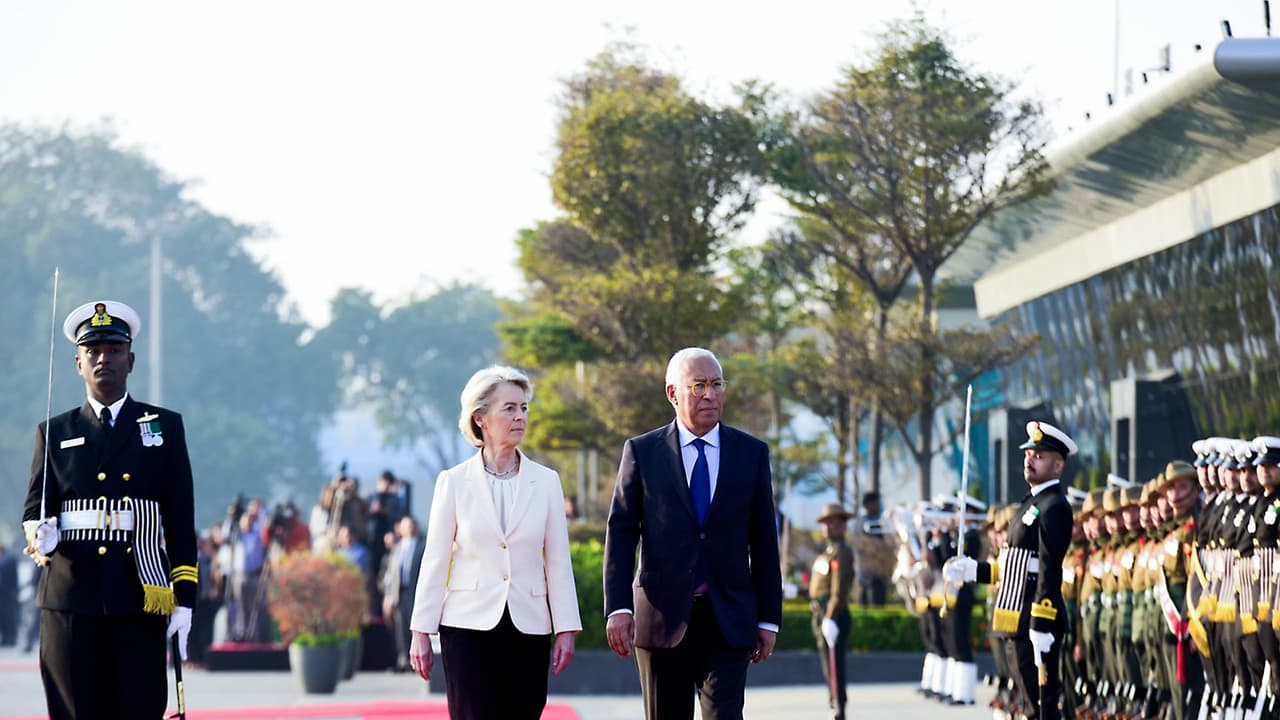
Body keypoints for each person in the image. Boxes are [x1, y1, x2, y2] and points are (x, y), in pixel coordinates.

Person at [20, 300, 196, 720]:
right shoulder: (55, 431)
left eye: (114, 350)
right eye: (93, 351)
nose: (104, 359)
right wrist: (39, 532)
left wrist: (185, 601)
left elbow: (180, 520)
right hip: (70, 600)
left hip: (138, 598)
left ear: (131, 360)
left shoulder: (163, 427)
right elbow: (34, 508)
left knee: (137, 710)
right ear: (77, 363)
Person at [604, 347, 783, 720]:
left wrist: (768, 618)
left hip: (728, 618)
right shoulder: (642, 452)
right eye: (698, 385)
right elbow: (621, 532)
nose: (710, 394)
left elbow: (764, 540)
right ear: (673, 394)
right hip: (660, 617)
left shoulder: (751, 454)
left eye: (717, 384)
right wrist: (619, 608)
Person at [408, 365, 581, 720]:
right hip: (466, 627)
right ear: (480, 418)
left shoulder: (546, 482)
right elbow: (435, 559)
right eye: (509, 408)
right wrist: (420, 630)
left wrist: (565, 628)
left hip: (528, 626)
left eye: (524, 408)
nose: (520, 416)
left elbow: (558, 561)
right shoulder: (453, 482)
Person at [944, 420, 1076, 720]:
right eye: (1029, 453)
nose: (1030, 458)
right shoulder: (1030, 504)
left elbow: (1048, 568)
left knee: (1043, 707)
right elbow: (1013, 567)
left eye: (1040, 455)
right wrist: (973, 571)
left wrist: (1041, 622)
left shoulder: (1054, 506)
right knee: (1030, 704)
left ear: (1058, 466)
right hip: (1015, 619)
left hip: (1033, 620)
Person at [810, 503, 853, 720]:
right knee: (828, 665)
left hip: (833, 616)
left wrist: (830, 617)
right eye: (826, 523)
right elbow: (818, 585)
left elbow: (839, 590)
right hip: (820, 613)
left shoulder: (842, 553)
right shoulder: (827, 552)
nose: (827, 528)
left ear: (842, 526)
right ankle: (833, 702)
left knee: (835, 666)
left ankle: (839, 707)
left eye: (833, 523)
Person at [383, 515, 424, 672]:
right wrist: (388, 596)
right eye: (406, 525)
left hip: (414, 592)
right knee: (400, 627)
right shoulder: (397, 548)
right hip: (399, 592)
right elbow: (390, 575)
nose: (409, 528)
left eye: (412, 525)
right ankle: (402, 659)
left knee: (414, 625)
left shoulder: (422, 547)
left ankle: (417, 661)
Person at [850, 492, 895, 607]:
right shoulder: (873, 522)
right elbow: (880, 547)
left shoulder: (857, 523)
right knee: (876, 609)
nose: (879, 506)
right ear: (869, 504)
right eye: (877, 503)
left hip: (861, 574)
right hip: (875, 574)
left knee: (862, 610)